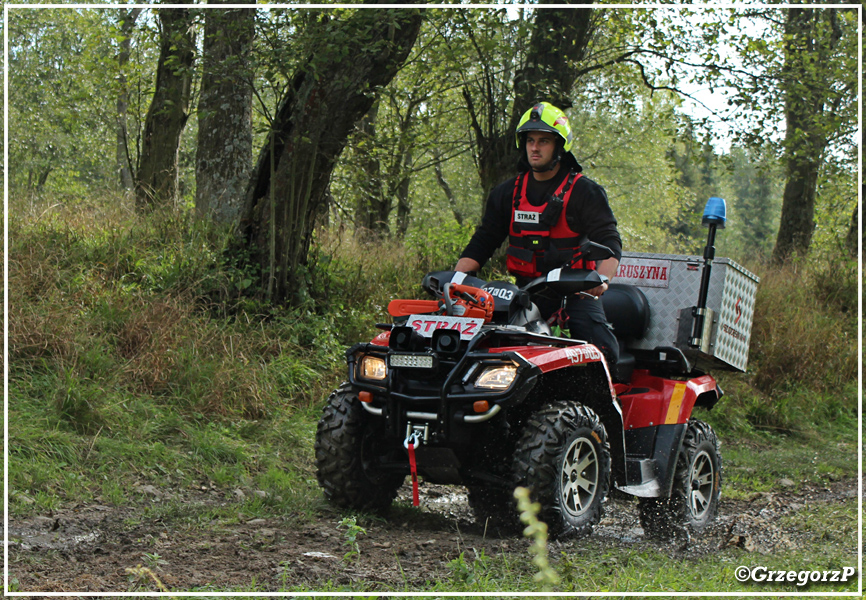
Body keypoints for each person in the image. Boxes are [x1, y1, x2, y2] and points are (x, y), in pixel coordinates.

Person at [455, 101, 622, 370]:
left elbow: (610, 242)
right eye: (530, 140)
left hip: (575, 294)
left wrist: (601, 280)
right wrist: (456, 280)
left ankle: (609, 406)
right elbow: (484, 240)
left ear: (559, 145)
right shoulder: (506, 193)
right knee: (478, 347)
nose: (535, 147)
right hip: (522, 294)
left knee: (602, 351)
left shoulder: (585, 192)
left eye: (544, 141)